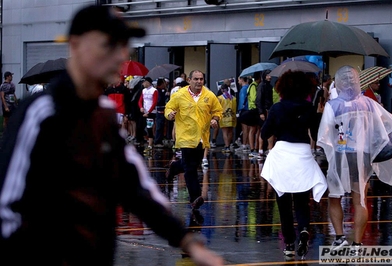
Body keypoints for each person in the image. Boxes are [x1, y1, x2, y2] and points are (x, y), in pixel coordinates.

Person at [0, 5, 224, 266]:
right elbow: (8, 208)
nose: (120, 55)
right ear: (75, 45)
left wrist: (187, 242)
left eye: (123, 45)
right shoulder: (41, 114)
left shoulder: (103, 115)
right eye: (109, 44)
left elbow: (134, 186)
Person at [317, 65, 392, 251]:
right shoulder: (369, 104)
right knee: (360, 198)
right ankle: (358, 242)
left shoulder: (333, 105)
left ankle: (339, 237)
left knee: (335, 196)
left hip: (340, 155)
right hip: (362, 157)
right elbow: (385, 124)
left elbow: (324, 134)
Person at [260, 70, 327, 260]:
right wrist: (317, 113)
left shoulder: (277, 108)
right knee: (301, 200)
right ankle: (304, 230)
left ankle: (289, 244)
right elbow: (315, 136)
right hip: (302, 154)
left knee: (283, 201)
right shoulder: (308, 107)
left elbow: (264, 134)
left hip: (282, 153)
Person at [165, 70, 223, 210]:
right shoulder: (179, 95)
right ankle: (195, 197)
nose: (199, 82)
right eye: (196, 79)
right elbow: (168, 107)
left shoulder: (209, 96)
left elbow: (218, 111)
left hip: (201, 138)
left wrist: (215, 119)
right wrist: (170, 114)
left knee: (191, 164)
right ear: (189, 80)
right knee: (190, 169)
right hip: (186, 137)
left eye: (201, 79)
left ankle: (174, 167)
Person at [138, 76, 158, 153]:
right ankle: (146, 141)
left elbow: (155, 102)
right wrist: (141, 107)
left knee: (149, 128)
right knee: (141, 126)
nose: (143, 83)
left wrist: (149, 112)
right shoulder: (143, 90)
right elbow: (140, 100)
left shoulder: (154, 90)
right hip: (144, 111)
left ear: (148, 82)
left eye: (144, 82)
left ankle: (150, 145)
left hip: (151, 112)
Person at [217, 83, 237, 153]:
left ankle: (227, 146)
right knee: (230, 132)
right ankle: (229, 145)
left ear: (222, 89)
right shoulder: (233, 98)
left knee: (224, 132)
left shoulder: (220, 98)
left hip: (224, 117)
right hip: (232, 117)